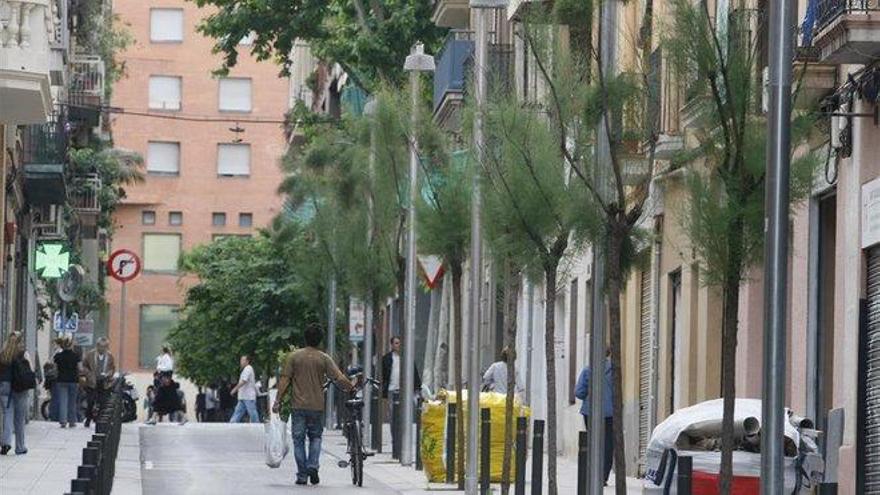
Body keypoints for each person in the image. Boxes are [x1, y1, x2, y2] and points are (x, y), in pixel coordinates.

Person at [273, 322, 355, 486]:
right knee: (316, 438)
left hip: (298, 406)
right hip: (317, 406)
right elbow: (338, 378)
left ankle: (302, 475)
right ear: (319, 340)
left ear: (305, 338)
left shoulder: (294, 357)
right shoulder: (324, 358)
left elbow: (284, 380)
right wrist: (351, 387)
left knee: (298, 440)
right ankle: (313, 466)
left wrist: (278, 400)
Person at [575, 349, 615, 485]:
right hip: (610, 412)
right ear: (608, 353)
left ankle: (593, 473)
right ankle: (603, 476)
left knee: (592, 441)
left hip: (590, 411)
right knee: (608, 444)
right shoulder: (614, 369)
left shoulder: (588, 370)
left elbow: (579, 392)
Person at [381, 336, 421, 460]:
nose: (398, 345)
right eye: (396, 343)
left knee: (405, 418)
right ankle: (395, 444)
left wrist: (417, 389)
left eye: (400, 343)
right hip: (392, 391)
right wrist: (384, 394)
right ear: (392, 345)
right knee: (393, 419)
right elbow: (384, 377)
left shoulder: (407, 357)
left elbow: (414, 373)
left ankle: (404, 443)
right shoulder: (386, 359)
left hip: (406, 392)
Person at [0, 331, 34, 455]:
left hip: (4, 387)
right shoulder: (23, 354)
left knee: (7, 415)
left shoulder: (3, 353)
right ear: (20, 342)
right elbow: (30, 370)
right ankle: (20, 447)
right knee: (19, 418)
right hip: (20, 387)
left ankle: (6, 442)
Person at [81, 337, 116, 427]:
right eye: (101, 346)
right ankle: (88, 418)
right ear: (97, 346)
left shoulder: (110, 356)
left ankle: (99, 421)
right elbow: (84, 366)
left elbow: (112, 368)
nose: (102, 349)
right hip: (92, 382)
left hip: (104, 382)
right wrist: (89, 375)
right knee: (91, 401)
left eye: (105, 347)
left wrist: (108, 374)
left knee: (103, 402)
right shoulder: (90, 355)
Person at [54, 335, 81, 428]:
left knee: (63, 400)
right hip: (73, 380)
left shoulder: (58, 356)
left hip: (61, 380)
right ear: (71, 345)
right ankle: (72, 421)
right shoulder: (76, 356)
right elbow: (80, 368)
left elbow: (55, 368)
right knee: (72, 401)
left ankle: (63, 421)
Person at [229, 355, 259, 423]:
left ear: (247, 361)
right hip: (243, 396)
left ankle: (257, 425)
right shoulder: (245, 369)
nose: (241, 362)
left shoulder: (248, 368)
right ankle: (232, 423)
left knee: (252, 412)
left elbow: (244, 381)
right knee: (238, 411)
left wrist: (235, 389)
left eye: (242, 360)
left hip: (248, 396)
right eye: (241, 360)